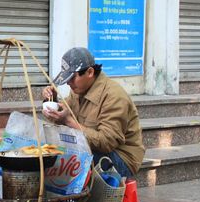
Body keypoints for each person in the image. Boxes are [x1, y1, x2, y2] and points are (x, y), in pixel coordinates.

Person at [42, 47, 144, 179]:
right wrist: (52, 101)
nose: (68, 83)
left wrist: (68, 121)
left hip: (120, 157)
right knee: (48, 151)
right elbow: (65, 111)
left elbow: (107, 142)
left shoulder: (114, 96)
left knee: (67, 158)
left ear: (90, 72)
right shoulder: (78, 89)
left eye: (72, 78)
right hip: (91, 148)